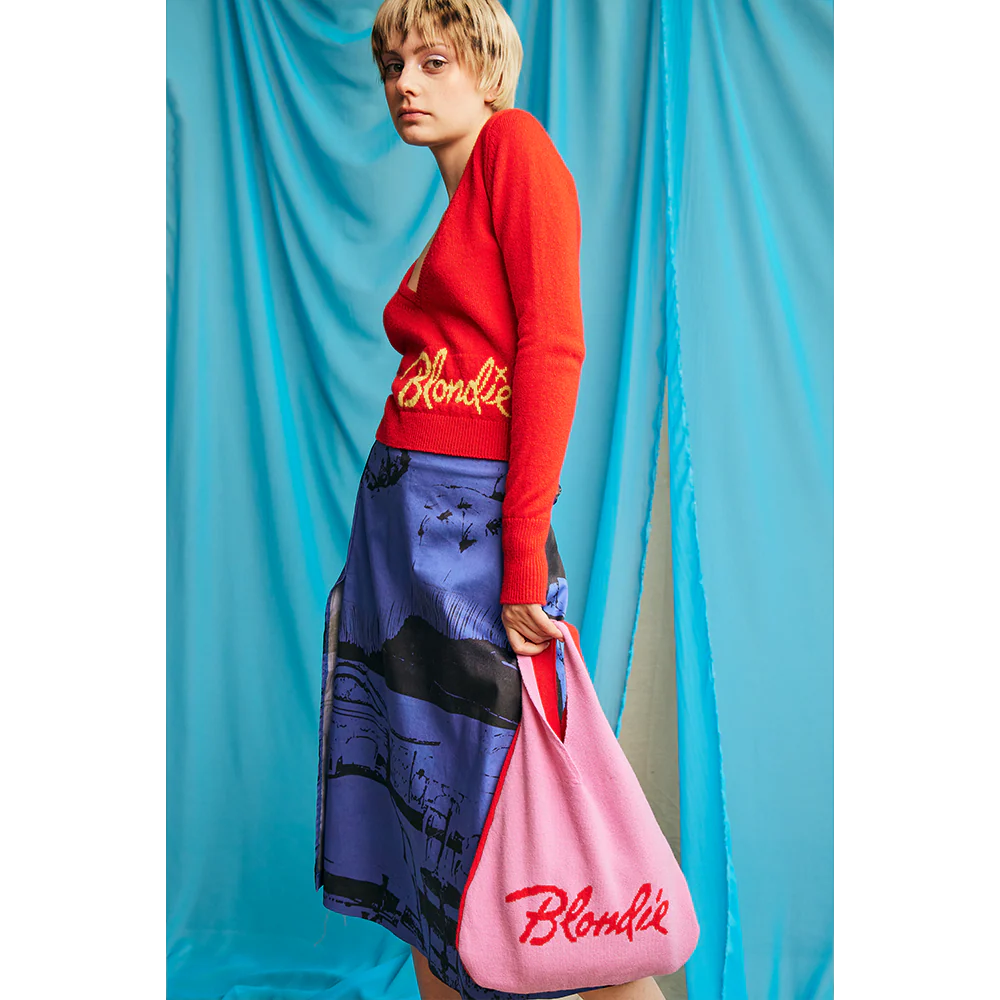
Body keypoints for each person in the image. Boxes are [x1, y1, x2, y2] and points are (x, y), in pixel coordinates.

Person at [315, 2, 666, 998]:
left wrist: (520, 561)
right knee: (425, 851)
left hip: (470, 545)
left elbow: (553, 348)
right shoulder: (456, 204)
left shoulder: (516, 149)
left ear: (486, 69)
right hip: (402, 556)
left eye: (433, 60)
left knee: (527, 826)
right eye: (394, 65)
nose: (405, 83)